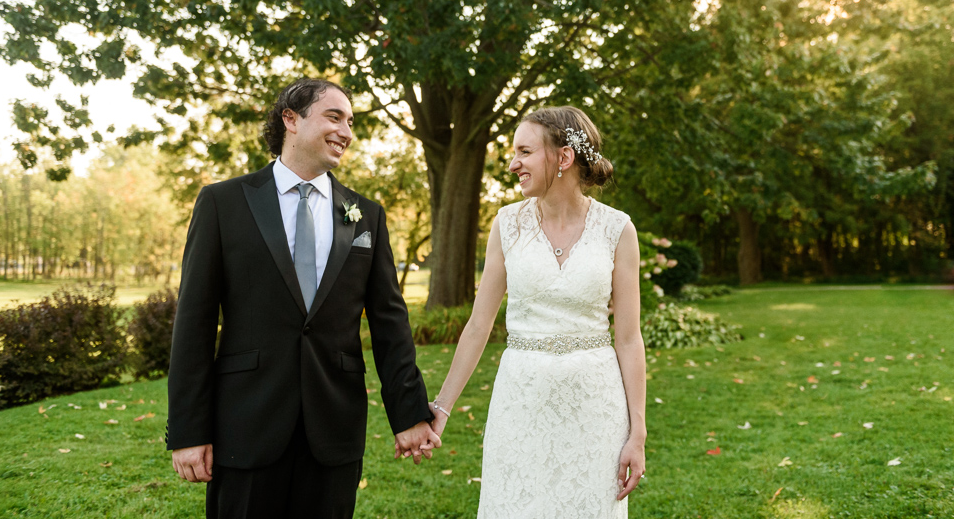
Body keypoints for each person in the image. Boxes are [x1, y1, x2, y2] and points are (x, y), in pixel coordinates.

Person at [166, 78, 441, 519]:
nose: (346, 132)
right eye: (334, 117)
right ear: (289, 119)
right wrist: (187, 430)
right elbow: (194, 324)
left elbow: (390, 324)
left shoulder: (366, 215)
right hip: (246, 426)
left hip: (334, 430)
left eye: (350, 122)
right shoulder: (223, 203)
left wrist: (409, 415)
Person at [429, 106, 647, 518]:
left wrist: (637, 432)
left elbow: (629, 338)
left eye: (524, 151)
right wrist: (442, 407)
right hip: (521, 402)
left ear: (562, 158)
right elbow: (479, 325)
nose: (513, 164)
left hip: (595, 408)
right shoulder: (506, 224)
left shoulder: (618, 229)